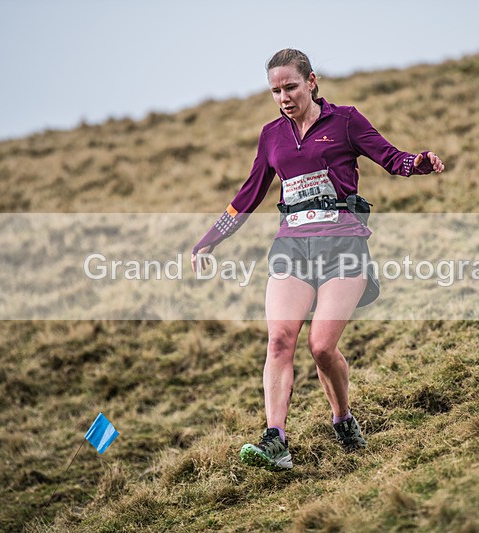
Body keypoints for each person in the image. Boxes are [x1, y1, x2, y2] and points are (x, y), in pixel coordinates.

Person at [190, 49, 444, 470]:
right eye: (275, 90)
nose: (283, 97)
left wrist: (417, 162)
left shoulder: (345, 120)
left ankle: (343, 419)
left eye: (290, 86)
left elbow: (390, 157)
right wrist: (210, 239)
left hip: (343, 247)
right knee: (279, 340)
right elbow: (248, 195)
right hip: (292, 248)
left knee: (322, 347)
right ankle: (277, 440)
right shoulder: (271, 136)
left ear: (311, 81)